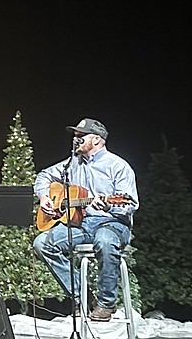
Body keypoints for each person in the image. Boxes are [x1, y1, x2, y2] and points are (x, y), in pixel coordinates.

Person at [33, 118, 138, 322]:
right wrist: (44, 197)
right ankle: (82, 296)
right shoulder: (72, 163)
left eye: (81, 136)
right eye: (75, 135)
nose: (75, 138)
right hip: (82, 223)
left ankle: (106, 303)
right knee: (42, 244)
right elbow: (44, 175)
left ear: (97, 140)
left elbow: (130, 204)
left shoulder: (118, 166)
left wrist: (109, 204)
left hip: (113, 223)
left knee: (105, 241)